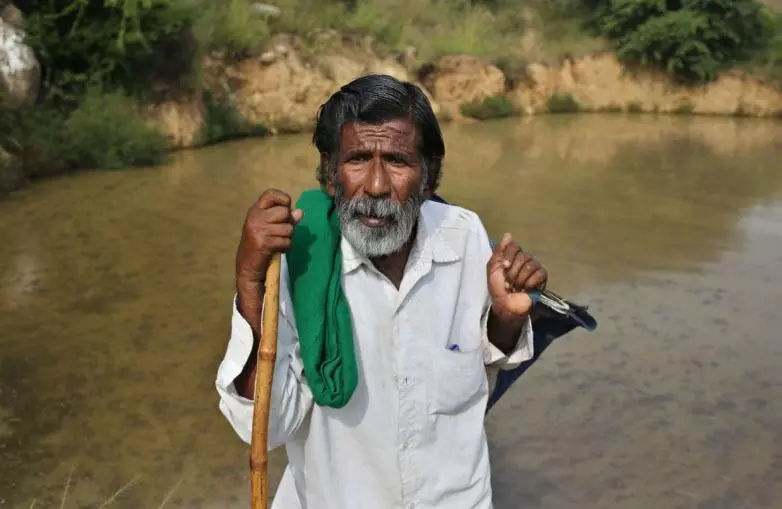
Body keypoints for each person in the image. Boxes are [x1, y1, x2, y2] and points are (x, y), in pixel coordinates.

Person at [215, 74, 549, 509]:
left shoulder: (463, 236)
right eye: (356, 160)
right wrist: (249, 281)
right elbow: (266, 426)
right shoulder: (299, 260)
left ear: (429, 177)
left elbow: (487, 365)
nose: (375, 186)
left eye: (397, 161)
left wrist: (506, 316)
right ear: (330, 175)